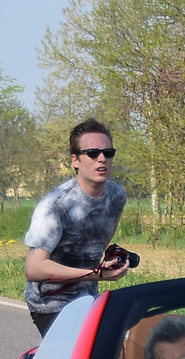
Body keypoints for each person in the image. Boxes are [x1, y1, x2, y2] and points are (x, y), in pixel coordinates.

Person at [22, 118, 129, 336]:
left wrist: (107, 263)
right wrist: (96, 274)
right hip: (50, 303)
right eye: (92, 153)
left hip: (88, 298)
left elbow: (97, 247)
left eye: (108, 153)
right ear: (75, 160)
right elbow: (34, 268)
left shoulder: (116, 196)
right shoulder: (55, 206)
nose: (102, 159)